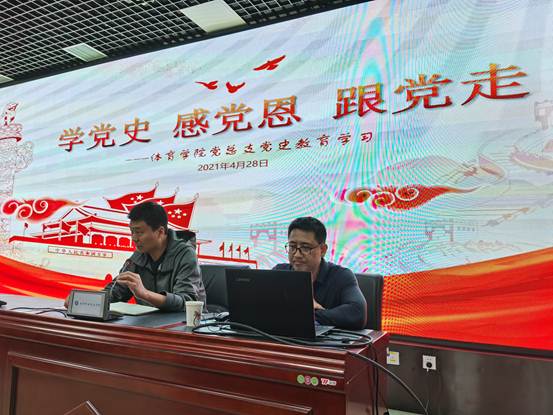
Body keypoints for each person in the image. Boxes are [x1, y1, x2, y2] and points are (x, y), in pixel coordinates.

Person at [65, 201, 205, 312]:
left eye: (139, 232)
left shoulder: (185, 254)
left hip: (185, 327)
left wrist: (145, 294)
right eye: (132, 232)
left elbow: (187, 302)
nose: (134, 238)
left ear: (160, 232)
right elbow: (115, 293)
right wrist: (82, 301)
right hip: (150, 325)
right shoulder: (139, 256)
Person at [273, 217, 367, 329]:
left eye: (305, 248)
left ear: (322, 250)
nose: (297, 255)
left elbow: (357, 312)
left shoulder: (341, 276)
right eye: (292, 247)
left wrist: (312, 315)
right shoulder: (278, 273)